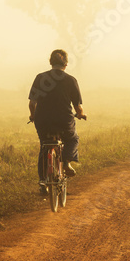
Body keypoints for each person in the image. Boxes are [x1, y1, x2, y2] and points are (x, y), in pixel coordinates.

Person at [28, 49, 86, 183]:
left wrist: (33, 116)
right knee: (73, 139)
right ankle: (66, 162)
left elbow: (32, 103)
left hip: (43, 120)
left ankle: (43, 182)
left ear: (50, 62)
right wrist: (81, 114)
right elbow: (78, 107)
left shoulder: (40, 78)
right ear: (66, 64)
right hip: (64, 121)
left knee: (44, 145)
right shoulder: (71, 80)